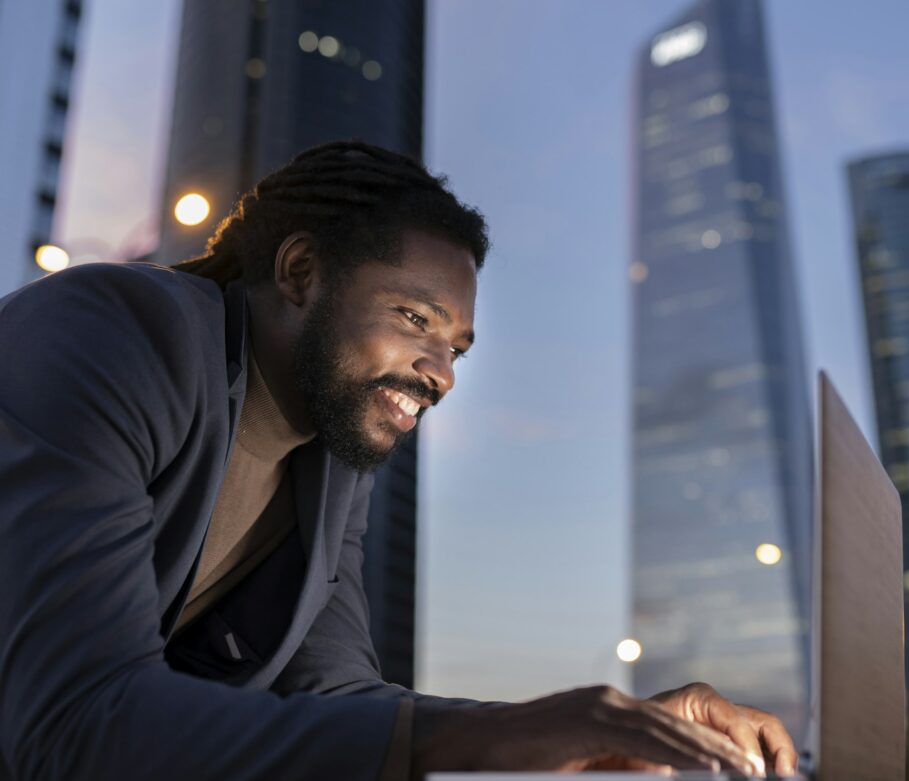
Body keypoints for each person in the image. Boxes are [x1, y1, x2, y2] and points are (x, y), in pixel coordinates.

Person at [0, 141, 796, 780]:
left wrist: (605, 731)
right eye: (415, 317)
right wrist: (507, 733)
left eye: (456, 348)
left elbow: (340, 697)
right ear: (300, 272)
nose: (441, 373)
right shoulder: (113, 334)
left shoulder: (333, 462)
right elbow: (74, 721)